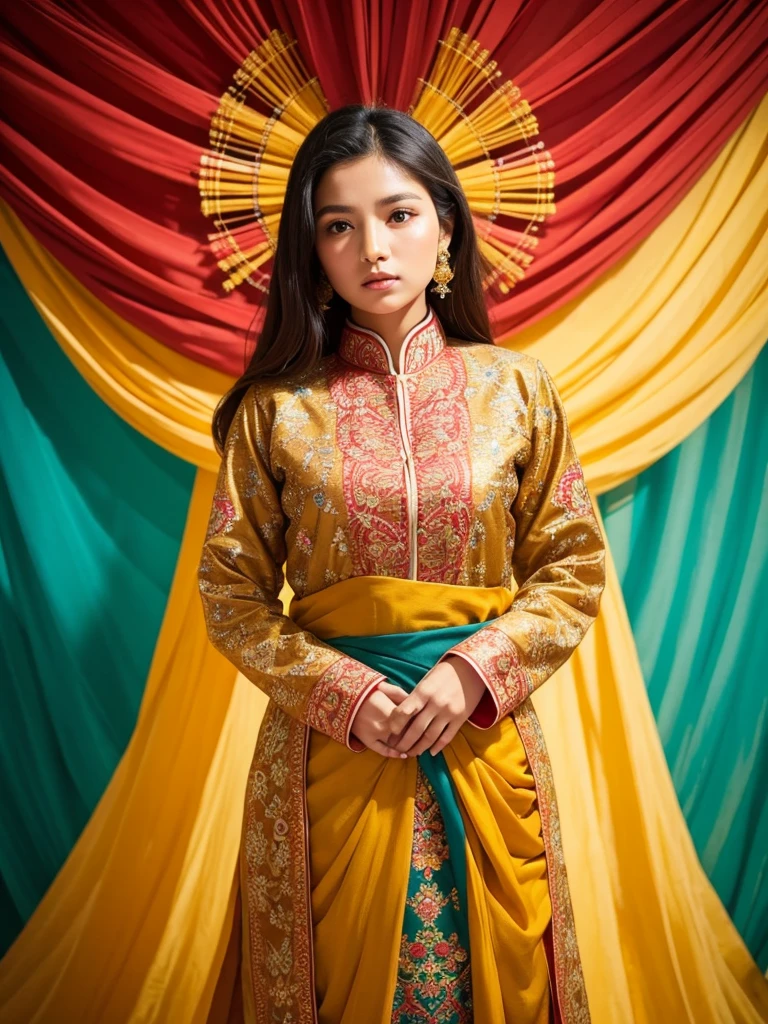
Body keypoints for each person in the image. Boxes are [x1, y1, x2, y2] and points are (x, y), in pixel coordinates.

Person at [197, 103, 606, 1024]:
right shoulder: (276, 411)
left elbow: (573, 565)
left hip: (485, 742)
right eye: (339, 225)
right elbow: (231, 595)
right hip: (332, 757)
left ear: (446, 226)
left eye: (399, 214)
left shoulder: (519, 388)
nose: (372, 247)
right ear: (314, 250)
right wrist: (344, 693)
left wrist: (474, 673)